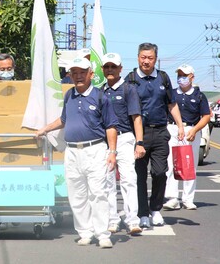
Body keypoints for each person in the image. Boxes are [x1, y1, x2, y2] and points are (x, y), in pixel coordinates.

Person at [36, 57, 118, 249]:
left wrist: (112, 152)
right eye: (74, 72)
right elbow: (64, 119)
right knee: (76, 194)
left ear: (91, 73)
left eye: (82, 72)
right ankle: (85, 232)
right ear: (70, 75)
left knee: (98, 193)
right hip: (72, 151)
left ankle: (102, 234)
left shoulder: (101, 97)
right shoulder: (69, 95)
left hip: (95, 149)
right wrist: (45, 129)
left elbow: (111, 126)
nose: (78, 76)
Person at [124, 42, 184, 229]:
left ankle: (155, 209)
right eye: (143, 57)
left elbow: (171, 104)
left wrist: (180, 125)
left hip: (159, 132)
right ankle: (142, 213)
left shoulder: (163, 78)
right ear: (138, 58)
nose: (146, 61)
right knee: (139, 175)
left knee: (160, 172)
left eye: (150, 58)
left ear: (155, 59)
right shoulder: (131, 79)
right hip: (138, 134)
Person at [102, 53, 146, 235]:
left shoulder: (129, 89)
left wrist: (140, 142)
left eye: (114, 67)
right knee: (108, 182)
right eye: (107, 67)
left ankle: (132, 220)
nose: (110, 70)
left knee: (129, 180)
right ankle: (112, 220)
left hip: (125, 138)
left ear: (121, 69)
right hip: (105, 142)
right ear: (103, 69)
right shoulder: (100, 91)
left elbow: (136, 117)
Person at [163, 64, 211, 211]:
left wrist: (195, 130)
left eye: (184, 75)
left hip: (191, 131)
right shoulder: (171, 93)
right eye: (179, 75)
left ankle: (188, 199)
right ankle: (172, 198)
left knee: (189, 166)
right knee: (171, 164)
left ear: (192, 77)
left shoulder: (199, 96)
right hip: (173, 129)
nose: (181, 78)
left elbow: (206, 116)